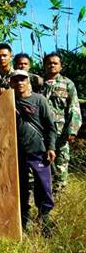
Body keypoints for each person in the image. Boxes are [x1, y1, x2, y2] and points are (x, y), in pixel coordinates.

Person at [10, 69, 57, 234]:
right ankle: (23, 221)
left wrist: (51, 147)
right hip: (17, 153)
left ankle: (45, 221)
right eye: (15, 80)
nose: (19, 83)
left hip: (39, 151)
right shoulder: (8, 100)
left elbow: (51, 126)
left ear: (28, 81)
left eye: (22, 79)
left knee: (43, 187)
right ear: (11, 83)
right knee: (20, 187)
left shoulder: (39, 100)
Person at [42, 52, 82, 194]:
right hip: (41, 133)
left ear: (61, 66)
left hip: (60, 133)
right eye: (48, 63)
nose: (51, 65)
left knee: (60, 165)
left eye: (55, 63)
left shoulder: (67, 84)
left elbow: (74, 108)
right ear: (44, 65)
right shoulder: (38, 84)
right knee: (42, 166)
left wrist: (72, 130)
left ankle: (59, 198)